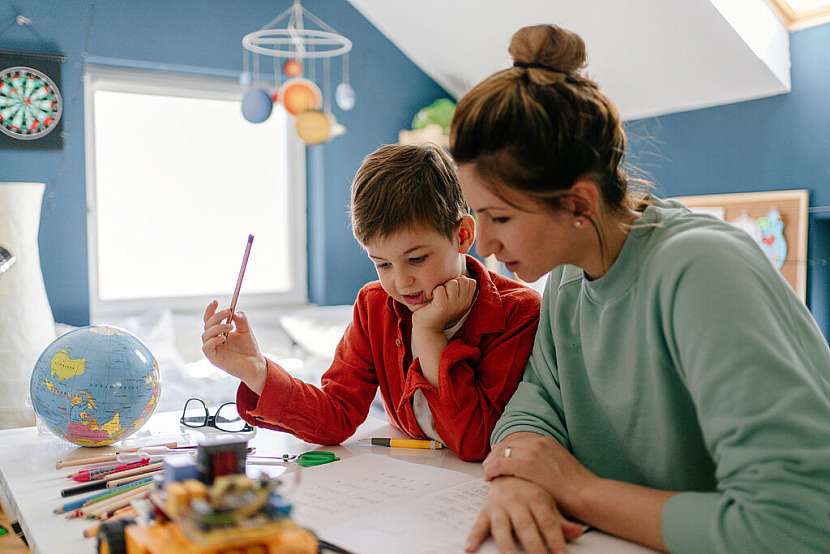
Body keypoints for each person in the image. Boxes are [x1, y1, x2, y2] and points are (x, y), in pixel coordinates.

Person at [451, 24, 830, 554]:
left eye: (501, 217)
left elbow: (795, 527)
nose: (484, 243)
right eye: (477, 215)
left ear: (579, 205)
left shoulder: (701, 270)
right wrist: (518, 477)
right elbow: (534, 404)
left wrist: (577, 489)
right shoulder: (566, 277)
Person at [200, 143, 541, 462]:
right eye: (382, 264)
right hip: (407, 484)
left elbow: (475, 442)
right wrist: (256, 371)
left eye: (417, 259)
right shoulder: (374, 305)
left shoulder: (519, 313)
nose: (401, 281)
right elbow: (337, 416)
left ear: (463, 235)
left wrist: (429, 335)